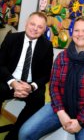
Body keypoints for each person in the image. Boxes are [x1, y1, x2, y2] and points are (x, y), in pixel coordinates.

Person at [19, 16, 84, 140]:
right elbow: (53, 87)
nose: (80, 34)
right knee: (25, 133)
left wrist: (81, 121)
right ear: (72, 33)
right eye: (77, 30)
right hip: (61, 107)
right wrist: (61, 113)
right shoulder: (62, 57)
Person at [0, 11, 54, 140]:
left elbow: (47, 74)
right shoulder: (11, 39)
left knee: (38, 100)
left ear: (44, 30)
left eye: (40, 27)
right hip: (9, 80)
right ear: (26, 23)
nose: (35, 28)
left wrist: (32, 87)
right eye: (32, 24)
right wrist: (13, 83)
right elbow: (0, 64)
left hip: (29, 85)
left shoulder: (47, 46)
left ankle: (13, 136)